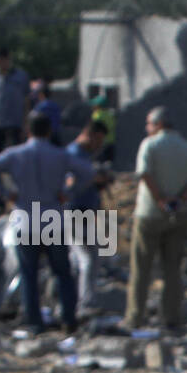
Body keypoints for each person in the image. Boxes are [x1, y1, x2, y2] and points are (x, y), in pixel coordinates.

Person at [0, 111, 94, 335]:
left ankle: (34, 322)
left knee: (28, 273)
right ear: (49, 131)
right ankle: (68, 319)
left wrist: (5, 193)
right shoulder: (59, 155)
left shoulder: (15, 154)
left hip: (25, 217)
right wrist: (69, 192)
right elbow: (87, 172)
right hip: (52, 217)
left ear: (28, 130)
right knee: (62, 272)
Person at [123, 107, 187, 332]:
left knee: (141, 268)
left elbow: (144, 173)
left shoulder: (149, 145)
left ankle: (135, 317)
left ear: (158, 124)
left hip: (149, 213)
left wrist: (160, 199)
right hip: (178, 214)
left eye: (149, 124)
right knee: (173, 269)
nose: (147, 129)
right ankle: (171, 318)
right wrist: (179, 200)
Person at [66, 121, 111, 319]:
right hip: (75, 212)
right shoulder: (72, 154)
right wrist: (92, 180)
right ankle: (85, 303)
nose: (99, 145)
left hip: (88, 213)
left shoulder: (85, 156)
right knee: (87, 258)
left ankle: (73, 302)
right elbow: (69, 186)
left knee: (81, 259)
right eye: (98, 140)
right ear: (89, 135)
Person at [90, 94, 117, 163]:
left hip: (101, 143)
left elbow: (95, 129)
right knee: (108, 163)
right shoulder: (110, 114)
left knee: (99, 163)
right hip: (111, 142)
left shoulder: (97, 115)